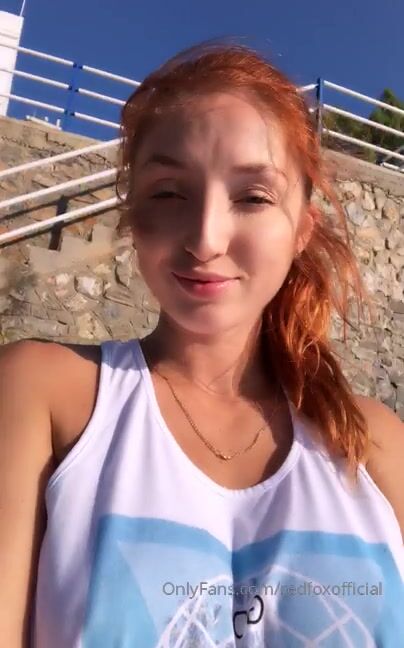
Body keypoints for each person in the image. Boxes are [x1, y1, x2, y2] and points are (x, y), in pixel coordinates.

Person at [0, 41, 403, 648]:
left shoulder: (374, 443)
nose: (207, 238)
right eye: (169, 192)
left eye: (253, 196)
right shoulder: (44, 393)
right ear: (133, 217)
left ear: (302, 229)